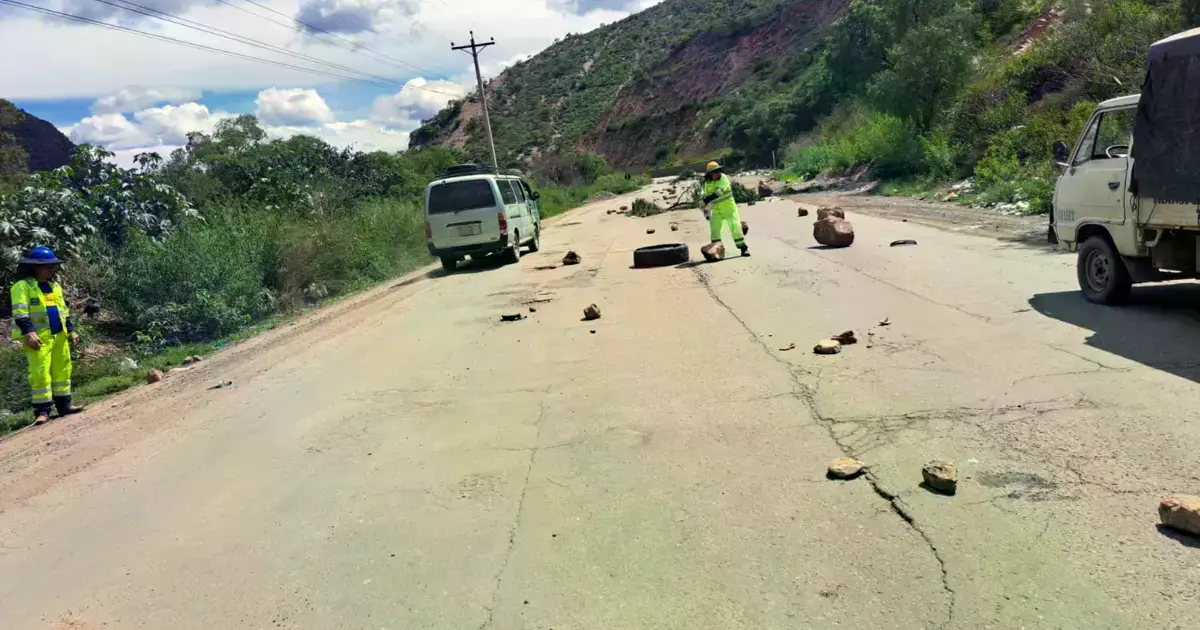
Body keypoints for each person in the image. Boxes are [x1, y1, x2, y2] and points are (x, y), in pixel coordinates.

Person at [9, 247, 83, 425]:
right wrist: (29, 333)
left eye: (52, 266)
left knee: (63, 370)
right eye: (47, 266)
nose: (51, 269)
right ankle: (42, 411)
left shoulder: (54, 286)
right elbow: (20, 313)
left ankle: (64, 406)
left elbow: (63, 311)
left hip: (58, 336)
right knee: (40, 374)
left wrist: (71, 330)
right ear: (35, 267)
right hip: (38, 338)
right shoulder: (22, 286)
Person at [700, 161, 749, 257]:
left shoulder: (723, 178)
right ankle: (718, 251)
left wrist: (707, 199)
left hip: (729, 208)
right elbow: (706, 198)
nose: (717, 173)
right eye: (715, 172)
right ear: (710, 173)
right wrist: (706, 212)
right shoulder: (707, 183)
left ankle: (743, 248)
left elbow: (719, 192)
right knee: (715, 231)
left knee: (735, 227)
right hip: (716, 210)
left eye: (718, 171)